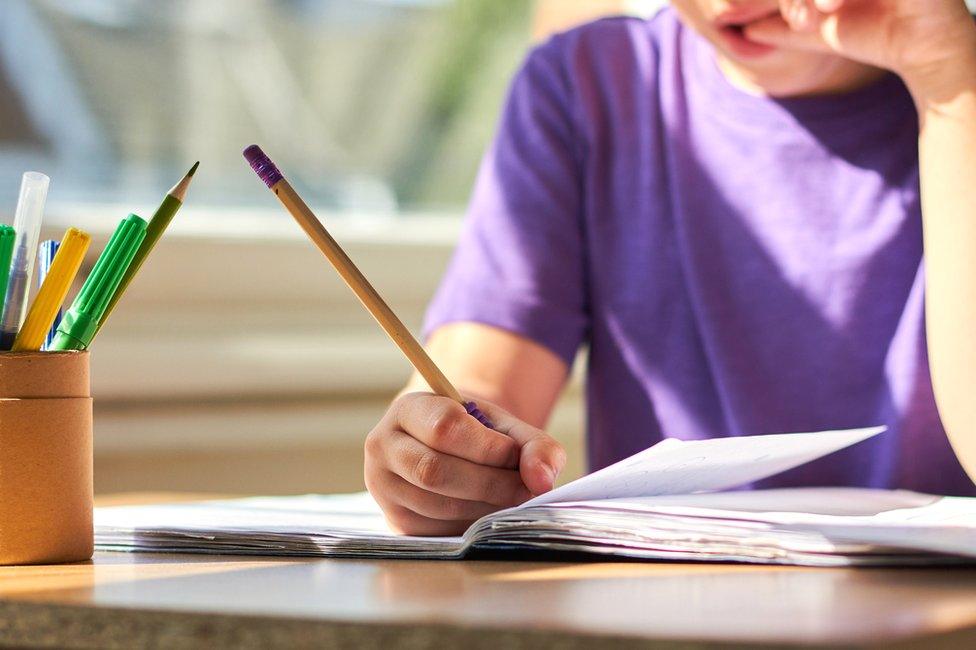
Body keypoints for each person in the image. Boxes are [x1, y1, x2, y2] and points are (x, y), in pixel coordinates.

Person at [364, 0, 976, 535]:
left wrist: (946, 68)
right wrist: (440, 453)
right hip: (666, 609)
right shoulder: (586, 88)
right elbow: (481, 387)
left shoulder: (960, 78)